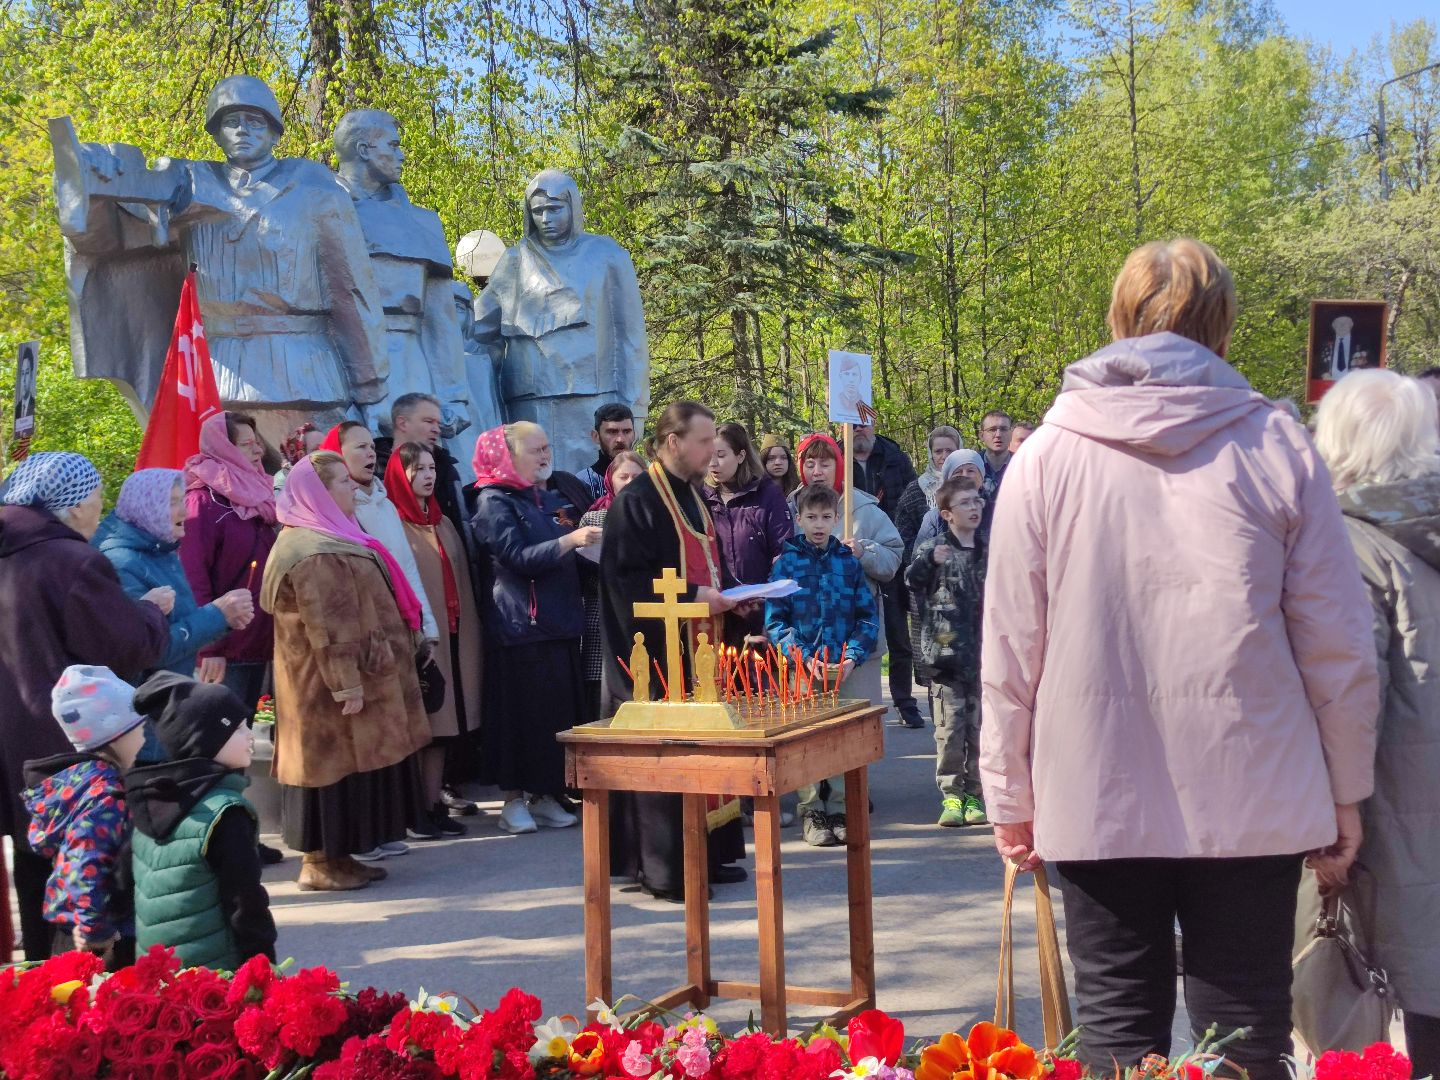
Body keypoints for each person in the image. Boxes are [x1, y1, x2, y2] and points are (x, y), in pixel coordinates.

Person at [980, 238, 1379, 1080]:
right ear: (1223, 329)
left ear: (1118, 322)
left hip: (1095, 784)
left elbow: (1012, 645)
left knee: (1119, 1030)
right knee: (1248, 1031)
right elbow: (1336, 646)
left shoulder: (1043, 458)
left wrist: (1008, 792)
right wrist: (1346, 795)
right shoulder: (1279, 448)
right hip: (1254, 785)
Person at [1314, 369, 1440, 1080]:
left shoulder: (1352, 544)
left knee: (1397, 1006)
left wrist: (1339, 817)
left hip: (1396, 817)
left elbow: (1349, 693)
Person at [0, 452, 170, 960]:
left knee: (32, 856)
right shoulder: (72, 561)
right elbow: (122, 645)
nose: (101, 508)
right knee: (90, 862)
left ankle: (41, 987)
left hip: (13, 742)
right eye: (97, 496)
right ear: (72, 506)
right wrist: (151, 614)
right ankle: (95, 991)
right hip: (69, 739)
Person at [260, 452, 432, 891]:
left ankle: (340, 857)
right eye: (341, 482)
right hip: (325, 688)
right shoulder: (312, 550)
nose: (352, 488)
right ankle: (319, 863)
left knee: (344, 771)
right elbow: (329, 625)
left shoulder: (328, 535)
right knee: (327, 772)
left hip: (346, 678)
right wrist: (347, 684)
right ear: (317, 492)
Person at [599, 402, 746, 901]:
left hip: (699, 643)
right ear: (672, 442)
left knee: (707, 750)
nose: (712, 452)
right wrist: (691, 598)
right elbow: (628, 582)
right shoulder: (638, 501)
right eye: (703, 442)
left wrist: (729, 600)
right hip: (655, 654)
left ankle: (708, 852)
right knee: (671, 755)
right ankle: (666, 867)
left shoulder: (690, 495)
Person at [470, 423, 596, 835]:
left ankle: (544, 795)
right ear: (508, 456)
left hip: (557, 623)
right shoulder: (493, 501)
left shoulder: (544, 497)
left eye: (547, 447)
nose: (545, 455)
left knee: (553, 717)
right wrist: (572, 541)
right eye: (535, 449)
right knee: (522, 717)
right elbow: (516, 557)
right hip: (521, 626)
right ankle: (512, 801)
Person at [789, 433, 902, 842]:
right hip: (805, 640)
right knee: (806, 728)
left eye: (825, 463)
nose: (817, 470)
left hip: (853, 639)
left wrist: (864, 550)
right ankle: (812, 805)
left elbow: (892, 559)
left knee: (851, 727)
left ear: (840, 465)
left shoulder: (864, 508)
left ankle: (847, 799)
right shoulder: (790, 509)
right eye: (810, 463)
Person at [125, 672, 276, 969]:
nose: (249, 735)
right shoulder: (225, 813)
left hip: (159, 973)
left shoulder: (149, 799)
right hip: (217, 974)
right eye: (237, 728)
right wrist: (263, 967)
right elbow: (245, 903)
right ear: (205, 741)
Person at [764, 484, 878, 847]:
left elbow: (868, 617)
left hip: (839, 667)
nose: (818, 524)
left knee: (841, 738)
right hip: (803, 668)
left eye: (826, 517)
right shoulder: (786, 564)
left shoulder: (847, 563)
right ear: (798, 519)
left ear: (835, 519)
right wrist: (800, 655)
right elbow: (775, 621)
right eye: (811, 517)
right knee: (805, 740)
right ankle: (811, 809)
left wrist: (852, 655)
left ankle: (842, 806)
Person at [22, 665, 149, 970]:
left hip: (75, 926)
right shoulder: (104, 797)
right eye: (139, 729)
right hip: (100, 936)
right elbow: (83, 864)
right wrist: (96, 933)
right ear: (116, 736)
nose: (144, 738)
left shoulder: (76, 785)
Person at [385, 443, 482, 838]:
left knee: (445, 724)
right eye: (418, 469)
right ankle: (414, 809)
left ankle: (431, 803)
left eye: (431, 468)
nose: (428, 476)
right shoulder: (395, 525)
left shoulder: (440, 521)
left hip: (454, 634)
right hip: (421, 638)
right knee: (423, 725)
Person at [95, 469, 255, 686]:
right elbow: (149, 651)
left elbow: (178, 623)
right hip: (141, 704)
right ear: (146, 507)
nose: (184, 512)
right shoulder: (121, 563)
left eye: (182, 501)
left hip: (166, 693)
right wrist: (218, 614)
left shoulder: (160, 550)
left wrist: (225, 617)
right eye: (172, 503)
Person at [180, 412, 278, 715]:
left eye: (257, 443)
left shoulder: (259, 493)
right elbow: (192, 576)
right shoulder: (203, 501)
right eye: (246, 444)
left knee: (240, 744)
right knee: (218, 747)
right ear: (224, 448)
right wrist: (208, 647)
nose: (258, 451)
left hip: (256, 642)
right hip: (223, 650)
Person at [906, 476, 987, 828]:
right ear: (947, 513)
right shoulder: (936, 548)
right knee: (950, 731)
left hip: (984, 660)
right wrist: (929, 562)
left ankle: (975, 793)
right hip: (946, 658)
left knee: (980, 731)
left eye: (977, 501)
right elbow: (910, 580)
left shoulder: (988, 549)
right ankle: (952, 794)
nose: (974, 507)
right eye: (965, 502)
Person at [323, 421, 441, 663]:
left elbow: (407, 568)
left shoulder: (385, 505)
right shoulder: (333, 514)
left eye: (372, 446)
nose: (370, 453)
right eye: (360, 447)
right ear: (337, 456)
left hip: (402, 627)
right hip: (367, 641)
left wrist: (428, 628)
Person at [849, 422, 921, 728]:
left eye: (863, 425)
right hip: (855, 560)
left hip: (890, 553)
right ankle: (858, 705)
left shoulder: (894, 457)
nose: (859, 431)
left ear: (874, 425)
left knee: (897, 633)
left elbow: (910, 502)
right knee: (863, 634)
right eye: (852, 427)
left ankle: (904, 702)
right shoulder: (839, 460)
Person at [702, 422, 793, 645]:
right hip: (714, 613)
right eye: (708, 455)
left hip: (760, 612)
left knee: (758, 678)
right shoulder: (700, 496)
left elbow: (784, 553)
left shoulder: (767, 494)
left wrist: (761, 598)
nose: (713, 463)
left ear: (741, 455)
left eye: (721, 455)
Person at [579, 451, 648, 720]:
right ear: (611, 480)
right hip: (603, 620)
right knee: (603, 704)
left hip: (644, 619)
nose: (630, 483)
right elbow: (583, 574)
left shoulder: (659, 518)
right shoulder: (593, 520)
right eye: (624, 477)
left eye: (637, 477)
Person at [374, 393, 470, 544]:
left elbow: (462, 526)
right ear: (402, 423)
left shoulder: (446, 466)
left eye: (438, 423)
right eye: (428, 421)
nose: (436, 430)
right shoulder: (375, 471)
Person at [914, 448, 988, 547]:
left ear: (982, 477)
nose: (965, 475)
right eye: (958, 472)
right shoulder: (934, 518)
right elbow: (918, 558)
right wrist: (932, 557)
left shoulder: (997, 512)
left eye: (971, 470)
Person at [576, 403, 639, 502]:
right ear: (596, 436)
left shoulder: (647, 480)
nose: (620, 439)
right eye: (612, 432)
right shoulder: (582, 483)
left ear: (634, 435)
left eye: (627, 431)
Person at [274, 423, 323, 496]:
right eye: (316, 450)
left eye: (326, 446)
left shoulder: (333, 475)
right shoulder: (284, 485)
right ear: (300, 455)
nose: (326, 453)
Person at [977, 410, 1013, 494]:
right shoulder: (971, 466)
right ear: (981, 435)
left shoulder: (1022, 465)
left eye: (1004, 429)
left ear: (1011, 434)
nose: (998, 435)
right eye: (992, 430)